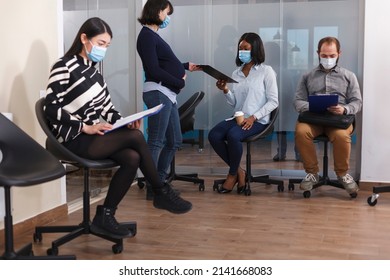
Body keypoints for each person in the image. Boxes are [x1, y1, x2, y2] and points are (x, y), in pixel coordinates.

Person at [44, 17, 192, 238]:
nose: (104, 49)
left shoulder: (96, 74)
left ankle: (105, 214)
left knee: (132, 157)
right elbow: (50, 108)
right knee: (135, 137)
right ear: (84, 38)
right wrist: (84, 126)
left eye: (107, 46)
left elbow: (108, 109)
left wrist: (124, 120)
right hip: (73, 138)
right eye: (101, 43)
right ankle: (159, 190)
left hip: (95, 137)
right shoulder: (64, 66)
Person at [136, 0, 200, 200]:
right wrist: (179, 82)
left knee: (174, 141)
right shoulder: (146, 36)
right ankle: (154, 188)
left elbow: (162, 63)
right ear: (157, 11)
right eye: (167, 12)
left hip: (167, 94)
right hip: (158, 92)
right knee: (156, 140)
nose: (167, 17)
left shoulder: (153, 36)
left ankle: (160, 182)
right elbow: (153, 70)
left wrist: (183, 66)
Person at [208, 32, 279, 194]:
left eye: (246, 48)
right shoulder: (236, 73)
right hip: (238, 117)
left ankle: (232, 175)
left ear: (255, 49)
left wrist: (254, 117)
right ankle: (240, 172)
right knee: (214, 135)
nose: (242, 52)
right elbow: (234, 103)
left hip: (258, 120)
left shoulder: (266, 71)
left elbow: (274, 101)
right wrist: (225, 90)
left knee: (233, 135)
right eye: (240, 48)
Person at [294, 36, 362, 194]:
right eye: (324, 55)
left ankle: (343, 174)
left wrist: (344, 109)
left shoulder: (349, 76)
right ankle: (312, 173)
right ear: (318, 53)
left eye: (332, 55)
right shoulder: (307, 76)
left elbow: (357, 102)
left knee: (341, 136)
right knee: (301, 131)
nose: (328, 59)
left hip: (338, 121)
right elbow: (297, 101)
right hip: (313, 119)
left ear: (339, 53)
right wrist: (313, 105)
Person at [264, 41, 300, 162]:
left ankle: (296, 152)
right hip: (274, 103)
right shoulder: (266, 69)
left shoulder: (282, 71)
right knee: (281, 129)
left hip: (285, 102)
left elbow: (288, 91)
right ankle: (282, 152)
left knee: (286, 128)